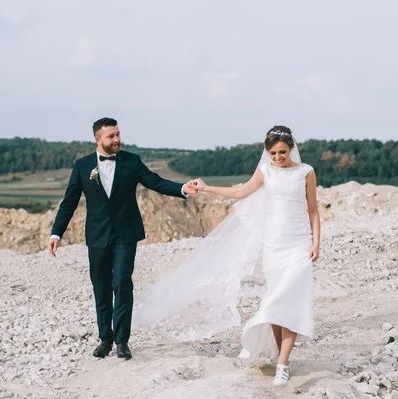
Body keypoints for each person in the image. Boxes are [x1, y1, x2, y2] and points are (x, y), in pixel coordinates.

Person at [134, 125, 320, 387]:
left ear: (291, 149)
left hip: (299, 244)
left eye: (283, 152)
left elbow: (313, 210)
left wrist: (316, 243)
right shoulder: (265, 171)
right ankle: (283, 359)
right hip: (274, 245)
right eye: (274, 153)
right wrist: (208, 188)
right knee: (277, 303)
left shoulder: (305, 172)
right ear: (267, 152)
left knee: (289, 301)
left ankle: (282, 365)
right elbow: (241, 192)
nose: (278, 157)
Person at [47, 117, 197, 360]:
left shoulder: (131, 161)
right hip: (97, 235)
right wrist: (56, 233)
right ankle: (105, 338)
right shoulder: (83, 166)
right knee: (102, 287)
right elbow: (69, 203)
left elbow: (155, 182)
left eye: (118, 134)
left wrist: (181, 188)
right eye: (111, 136)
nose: (117, 139)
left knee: (122, 283)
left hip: (126, 233)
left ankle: (122, 341)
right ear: (98, 139)